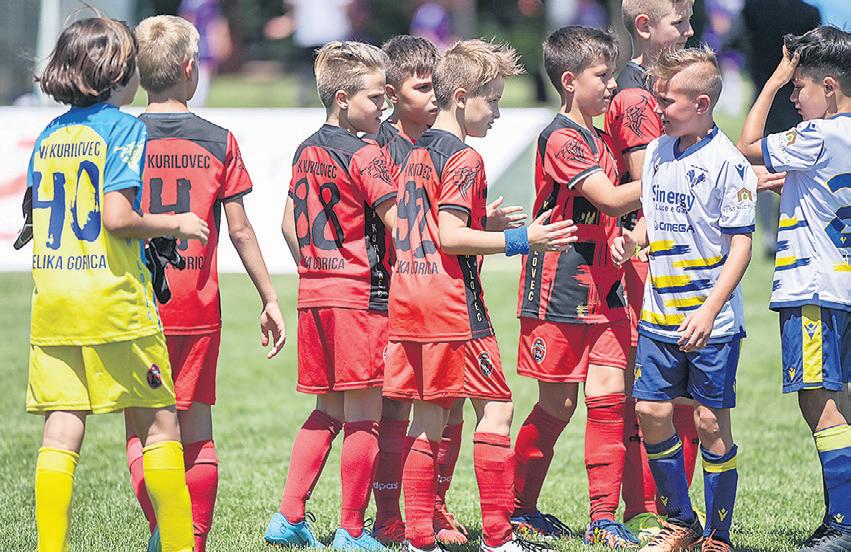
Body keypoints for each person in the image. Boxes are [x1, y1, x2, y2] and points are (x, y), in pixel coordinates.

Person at [22, 17, 209, 552]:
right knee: (161, 425)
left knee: (62, 429)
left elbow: (37, 214)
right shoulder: (124, 129)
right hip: (112, 299)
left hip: (53, 301)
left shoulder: (49, 134)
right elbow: (117, 217)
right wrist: (175, 223)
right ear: (118, 75)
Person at [383, 38, 577, 552]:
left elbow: (427, 226)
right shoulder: (466, 158)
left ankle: (418, 539)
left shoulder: (415, 149)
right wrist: (522, 239)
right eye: (491, 100)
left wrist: (482, 222)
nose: (496, 112)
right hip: (452, 304)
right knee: (497, 410)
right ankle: (498, 537)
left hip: (409, 298)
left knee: (428, 418)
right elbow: (449, 237)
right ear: (461, 96)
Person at [123, 15, 286, 552]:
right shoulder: (219, 140)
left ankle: (162, 529)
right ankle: (190, 541)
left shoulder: (120, 137)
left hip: (132, 307)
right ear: (191, 69)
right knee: (197, 432)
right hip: (195, 307)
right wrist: (269, 297)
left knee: (141, 431)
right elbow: (239, 230)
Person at [612, 46, 756, 552]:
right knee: (651, 412)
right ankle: (681, 522)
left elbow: (741, 246)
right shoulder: (656, 151)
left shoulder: (728, 164)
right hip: (659, 314)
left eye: (666, 101)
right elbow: (652, 216)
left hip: (710, 321)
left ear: (700, 104)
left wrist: (710, 309)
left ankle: (718, 535)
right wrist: (634, 239)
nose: (658, 109)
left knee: (710, 422)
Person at [511, 26, 642, 548]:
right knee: (559, 405)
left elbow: (617, 214)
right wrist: (675, 179)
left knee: (609, 396)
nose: (611, 85)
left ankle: (603, 519)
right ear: (569, 81)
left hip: (607, 288)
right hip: (559, 288)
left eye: (613, 75)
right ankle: (519, 509)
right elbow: (608, 198)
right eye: (602, 76)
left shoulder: (604, 136)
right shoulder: (560, 137)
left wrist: (627, 239)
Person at [264, 40, 398, 551]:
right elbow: (399, 224)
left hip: (316, 293)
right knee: (365, 414)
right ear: (343, 98)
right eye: (375, 98)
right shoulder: (366, 153)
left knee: (328, 410)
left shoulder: (307, 149)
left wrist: (319, 267)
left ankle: (289, 517)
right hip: (361, 296)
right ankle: (352, 531)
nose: (383, 106)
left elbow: (286, 224)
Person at [737, 25, 851, 552]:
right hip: (843, 286)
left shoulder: (817, 135)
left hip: (813, 288)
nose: (794, 99)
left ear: (829, 86)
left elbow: (748, 145)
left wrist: (773, 79)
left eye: (799, 87)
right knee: (841, 401)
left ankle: (843, 525)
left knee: (818, 402)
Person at [367, 34, 473, 546]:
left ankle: (432, 506)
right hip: (392, 292)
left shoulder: (442, 145)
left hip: (436, 292)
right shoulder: (377, 146)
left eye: (437, 87)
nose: (435, 97)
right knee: (394, 406)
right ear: (391, 93)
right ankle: (388, 515)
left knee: (448, 403)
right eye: (423, 87)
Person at [603, 0, 701, 541]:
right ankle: (650, 508)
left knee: (676, 388)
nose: (690, 30)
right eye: (679, 22)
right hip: (647, 254)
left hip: (668, 249)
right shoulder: (637, 95)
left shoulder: (660, 85)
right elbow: (653, 183)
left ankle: (666, 508)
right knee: (658, 388)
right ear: (644, 26)